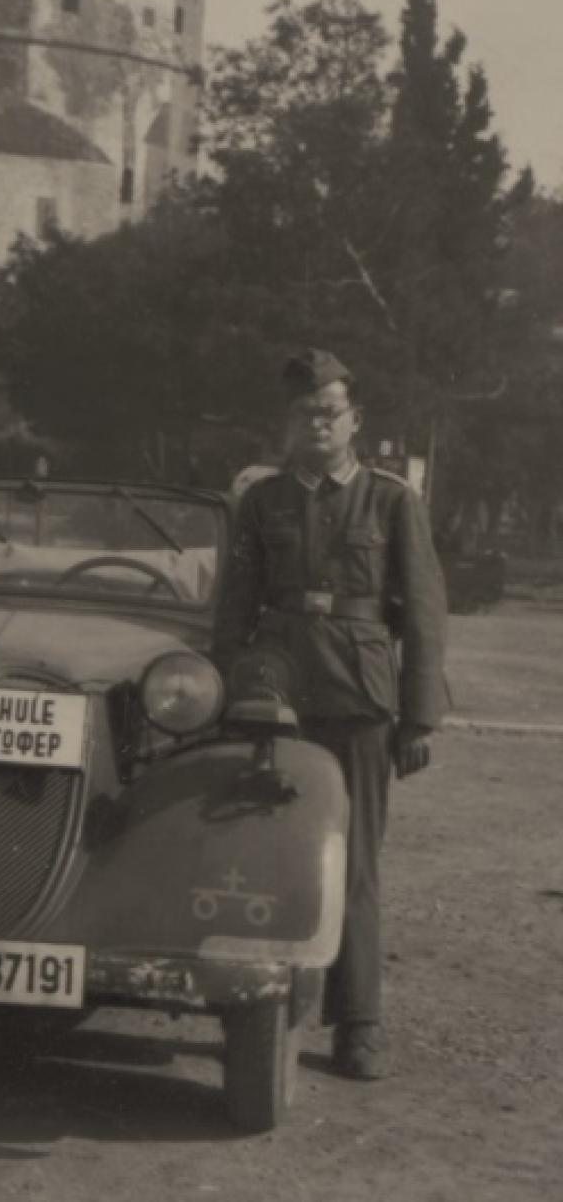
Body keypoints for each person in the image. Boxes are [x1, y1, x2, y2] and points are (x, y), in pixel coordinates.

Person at [211, 348, 447, 1082]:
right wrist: (223, 695)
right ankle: (263, 1005)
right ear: (286, 423)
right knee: (262, 849)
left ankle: (359, 1023)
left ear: (356, 421)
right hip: (275, 700)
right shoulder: (261, 503)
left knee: (356, 862)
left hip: (359, 699)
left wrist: (418, 717)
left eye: (330, 411)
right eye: (304, 413)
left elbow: (426, 613)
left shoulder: (390, 501)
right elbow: (233, 610)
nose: (318, 423)